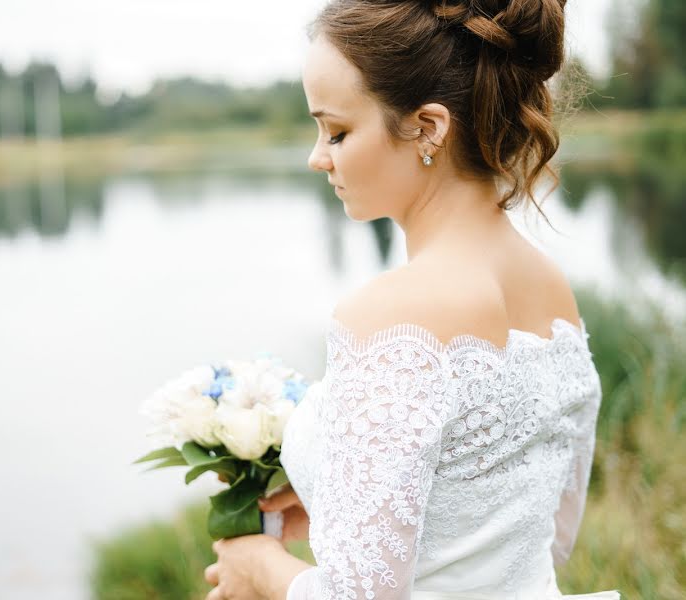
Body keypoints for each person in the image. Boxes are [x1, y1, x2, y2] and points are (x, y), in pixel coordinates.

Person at [202, 1, 620, 599]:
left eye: (337, 131)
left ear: (427, 127)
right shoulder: (552, 289)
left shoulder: (393, 315)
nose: (318, 156)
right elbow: (546, 533)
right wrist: (336, 498)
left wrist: (259, 569)